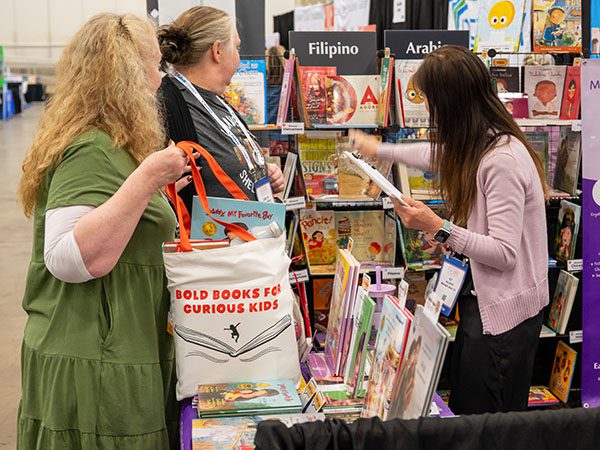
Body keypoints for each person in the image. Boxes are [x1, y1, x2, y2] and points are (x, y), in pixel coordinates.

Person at [16, 13, 190, 449]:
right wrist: (147, 179)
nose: (158, 79)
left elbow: (113, 212)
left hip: (115, 349)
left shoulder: (114, 144)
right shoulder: (91, 147)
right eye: (153, 66)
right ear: (125, 76)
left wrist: (153, 192)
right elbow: (68, 257)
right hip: (94, 360)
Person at [350, 45, 548, 415]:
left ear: (451, 103)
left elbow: (505, 255)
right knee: (469, 413)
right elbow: (436, 154)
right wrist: (380, 150)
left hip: (503, 317)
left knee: (488, 422)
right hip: (485, 304)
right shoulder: (481, 141)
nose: (428, 111)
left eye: (432, 102)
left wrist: (439, 228)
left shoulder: (501, 160)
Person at [158, 6, 284, 212]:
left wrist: (261, 172)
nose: (239, 59)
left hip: (246, 237)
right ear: (217, 51)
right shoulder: (167, 104)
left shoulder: (216, 100)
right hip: (209, 240)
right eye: (236, 48)